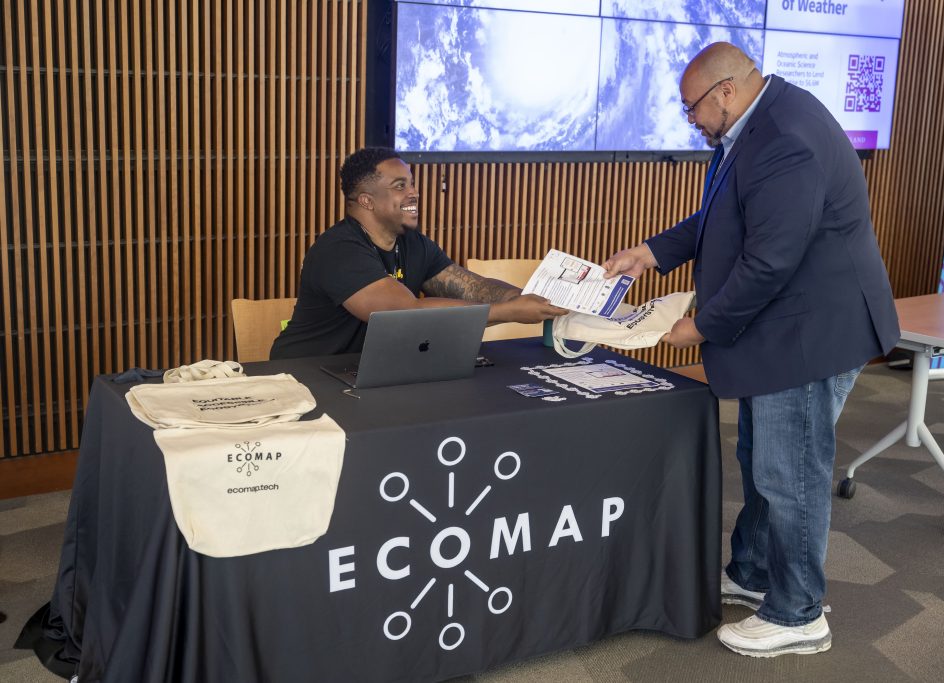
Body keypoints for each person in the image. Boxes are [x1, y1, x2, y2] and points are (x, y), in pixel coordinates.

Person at [603, 42, 899, 657]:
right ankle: (753, 571)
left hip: (810, 333)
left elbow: (769, 263)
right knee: (763, 456)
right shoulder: (754, 125)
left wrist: (700, 328)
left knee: (790, 474)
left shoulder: (786, 138)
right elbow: (721, 220)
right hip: (785, 325)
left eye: (693, 111)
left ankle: (797, 615)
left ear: (726, 92)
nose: (693, 123)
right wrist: (650, 253)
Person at [270, 147, 566, 358]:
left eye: (412, 183)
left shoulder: (413, 243)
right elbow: (403, 313)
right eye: (401, 186)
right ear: (367, 201)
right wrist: (508, 312)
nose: (414, 193)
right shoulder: (339, 249)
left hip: (370, 374)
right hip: (305, 376)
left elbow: (469, 286)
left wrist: (522, 298)